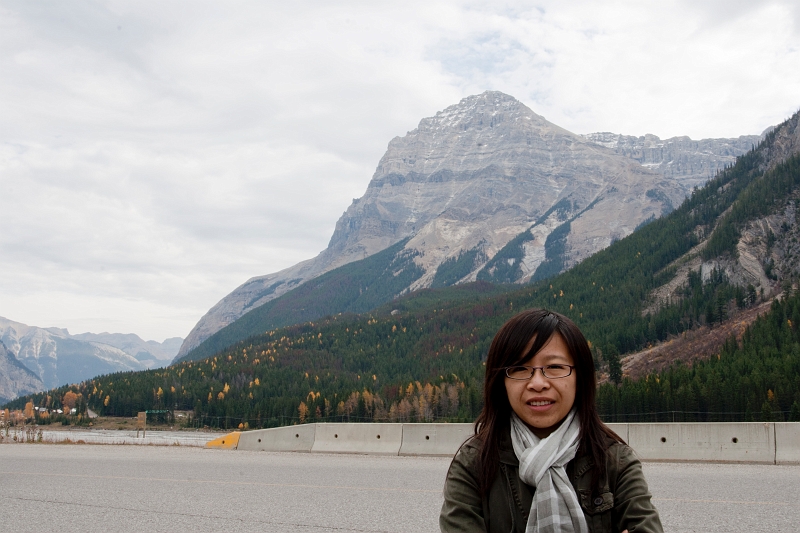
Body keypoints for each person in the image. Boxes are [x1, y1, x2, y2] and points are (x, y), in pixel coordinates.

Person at [440, 309, 662, 533]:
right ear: (501, 382)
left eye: (555, 367)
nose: (538, 383)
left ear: (580, 378)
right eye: (519, 368)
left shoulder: (615, 461)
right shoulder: (474, 465)